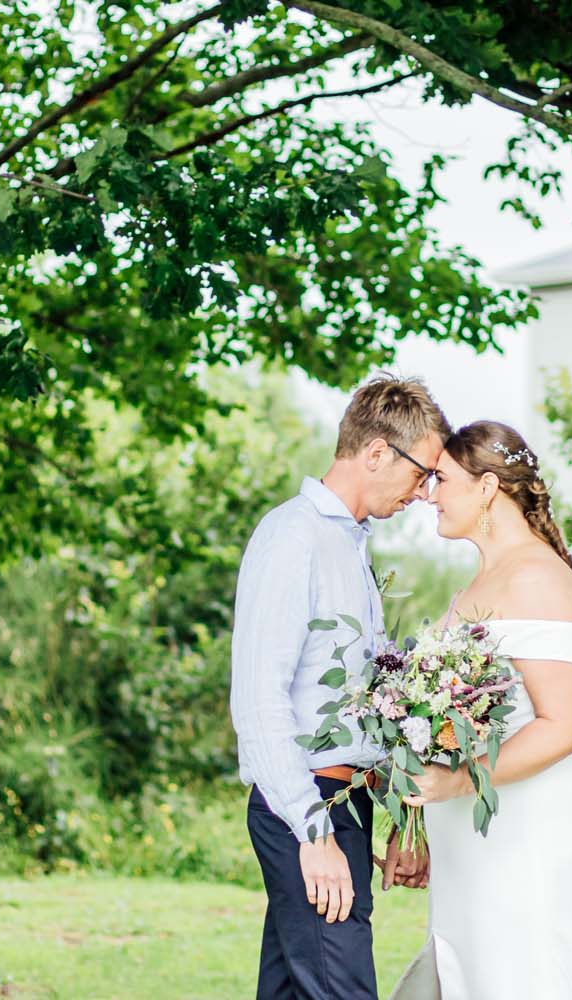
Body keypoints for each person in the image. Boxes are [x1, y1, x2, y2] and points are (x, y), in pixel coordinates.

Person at [231, 374, 449, 1000]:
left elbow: (352, 708)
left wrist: (399, 817)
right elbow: (260, 701)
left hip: (341, 801)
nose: (424, 490)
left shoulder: (350, 544)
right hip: (305, 804)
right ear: (378, 452)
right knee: (342, 988)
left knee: (293, 990)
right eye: (422, 471)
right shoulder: (292, 536)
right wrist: (314, 832)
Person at [391, 420, 572, 1000]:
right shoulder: (488, 578)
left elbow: (567, 727)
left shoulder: (539, 580)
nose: (428, 494)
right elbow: (451, 726)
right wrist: (416, 821)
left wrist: (455, 786)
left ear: (488, 486)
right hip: (479, 848)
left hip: (531, 848)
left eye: (441, 479)